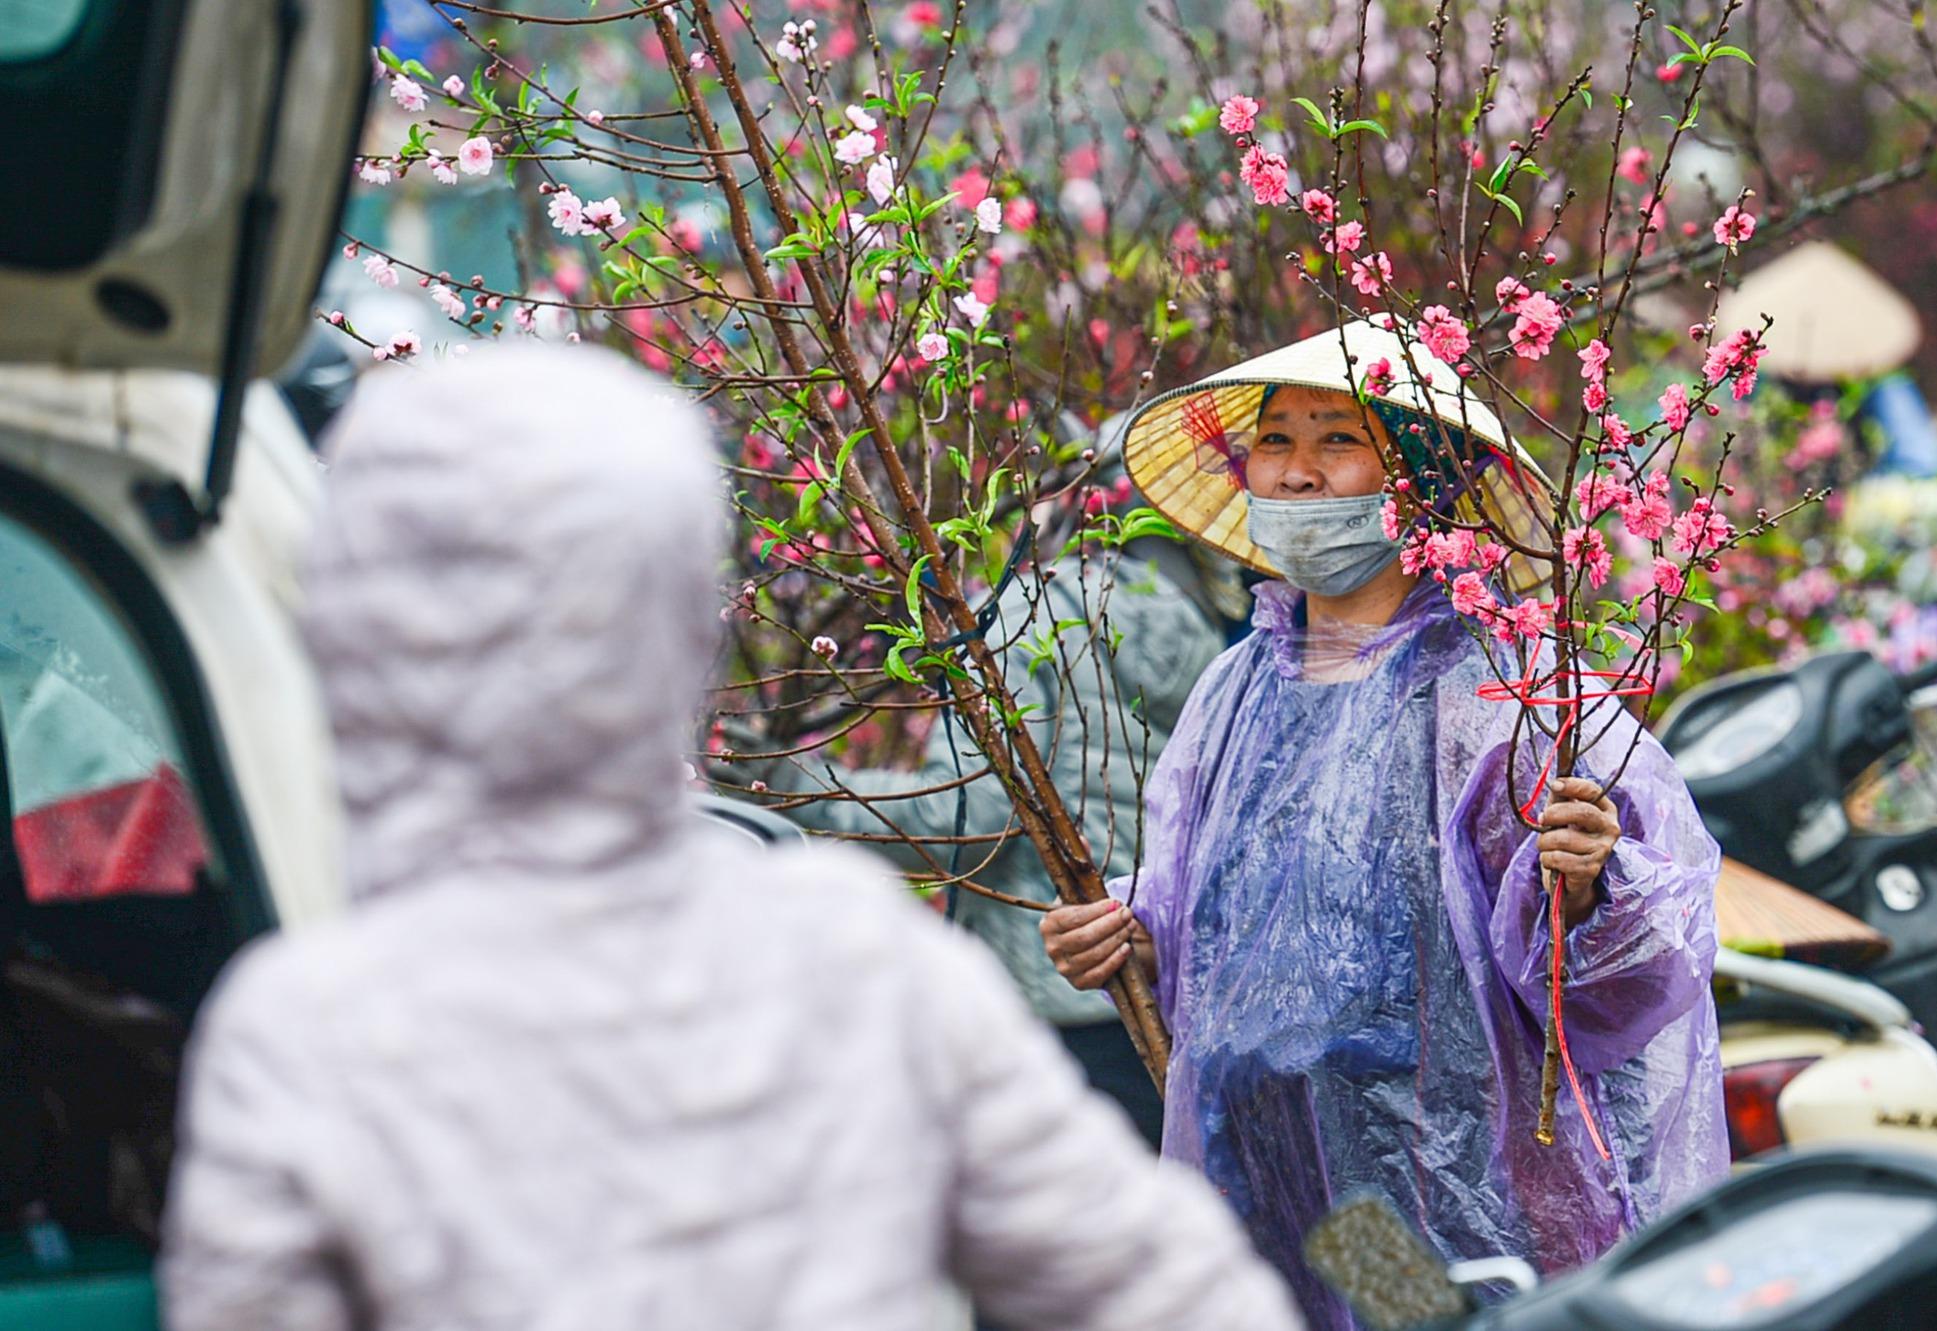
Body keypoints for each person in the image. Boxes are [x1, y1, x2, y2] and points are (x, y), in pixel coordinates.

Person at [157, 345, 1303, 1331]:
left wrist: (801, 779)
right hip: (1194, 1033)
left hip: (1129, 1013)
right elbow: (1167, 1285)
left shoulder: (304, 1033)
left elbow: (970, 809)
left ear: (353, 630)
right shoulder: (853, 958)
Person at [1041, 318, 1727, 1327]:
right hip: (1271, 1172)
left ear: (1419, 483)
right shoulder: (1234, 688)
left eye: (1336, 440)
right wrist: (1124, 929)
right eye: (1274, 441)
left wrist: (1584, 885)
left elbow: (1637, 965)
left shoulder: (1503, 694)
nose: (1297, 473)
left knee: (1420, 1321)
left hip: (1443, 1185)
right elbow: (1202, 906)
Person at [740, 447, 1224, 1149]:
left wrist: (791, 788)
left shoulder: (1030, 613)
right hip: (1149, 985)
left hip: (1052, 988)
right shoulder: (1215, 642)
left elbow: (965, 817)